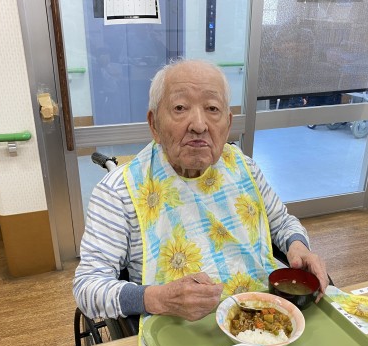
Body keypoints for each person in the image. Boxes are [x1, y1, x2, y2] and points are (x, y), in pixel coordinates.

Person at [73, 59, 328, 323]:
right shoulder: (118, 192)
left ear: (228, 124)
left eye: (212, 108)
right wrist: (158, 298)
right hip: (178, 330)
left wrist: (299, 247)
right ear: (154, 124)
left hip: (265, 317)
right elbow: (87, 286)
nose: (198, 125)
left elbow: (282, 222)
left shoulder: (245, 169)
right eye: (180, 108)